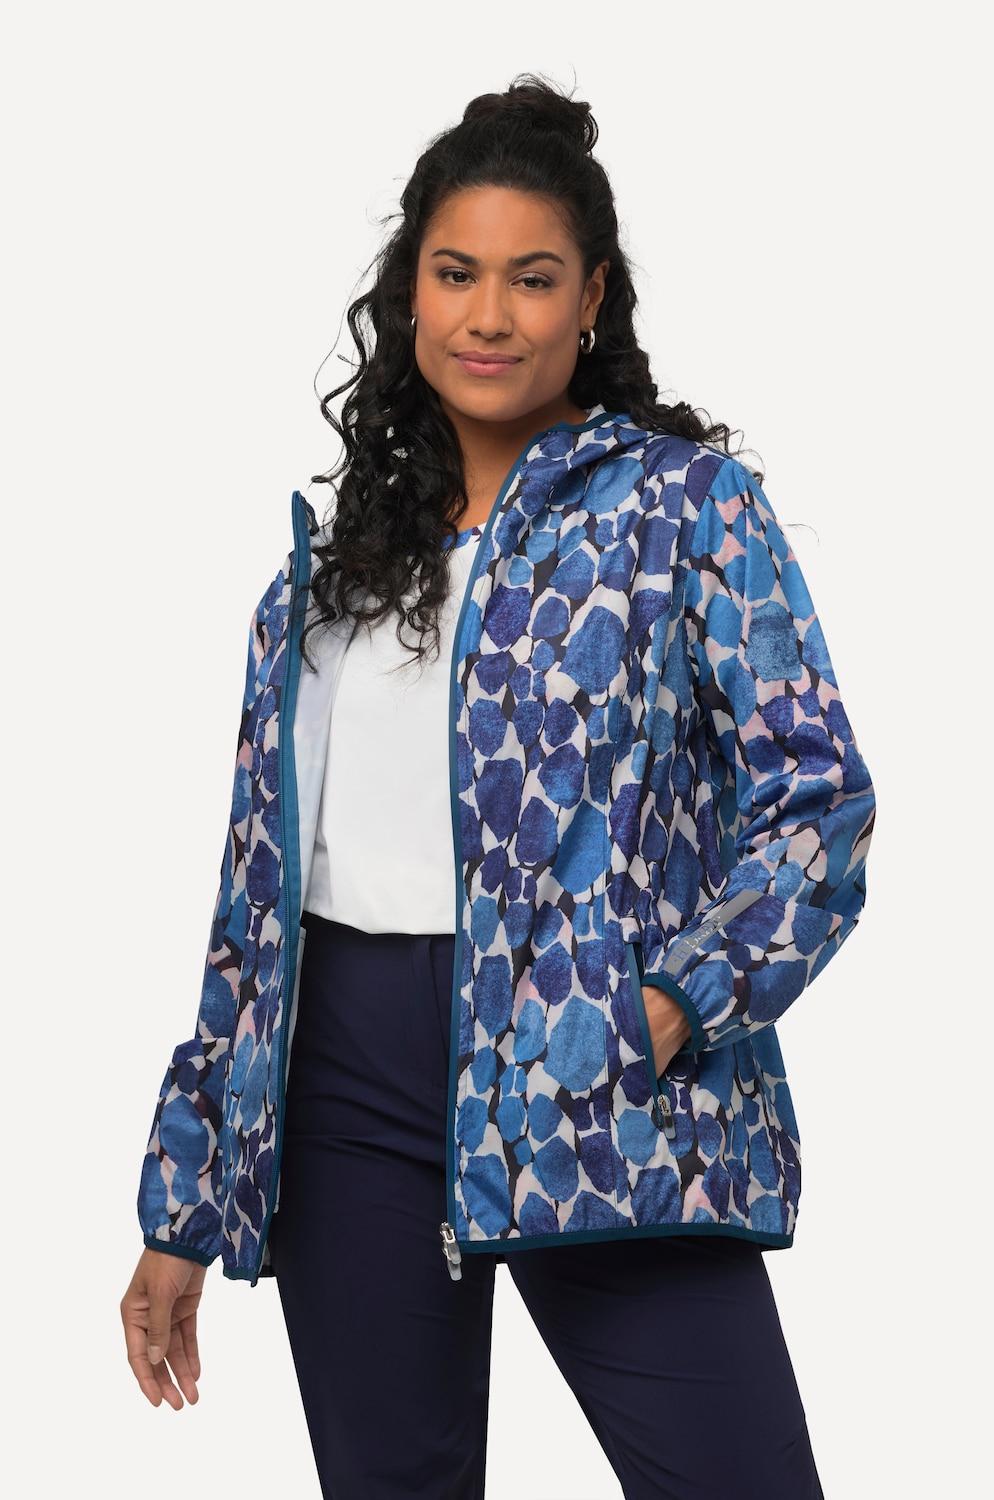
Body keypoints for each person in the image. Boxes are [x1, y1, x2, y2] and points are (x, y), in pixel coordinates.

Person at [121, 73, 876, 1500]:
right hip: (344, 1090)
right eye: (455, 273)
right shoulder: (323, 583)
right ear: (408, 295)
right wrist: (184, 1200)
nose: (489, 315)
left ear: (591, 300)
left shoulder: (682, 512)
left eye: (532, 279)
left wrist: (672, 1006)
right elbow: (252, 915)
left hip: (597, 1073)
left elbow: (818, 807)